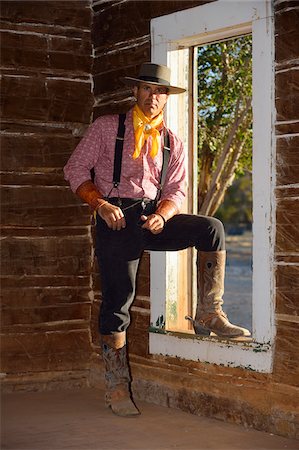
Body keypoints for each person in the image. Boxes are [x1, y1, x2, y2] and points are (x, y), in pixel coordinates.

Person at [64, 62, 250, 418]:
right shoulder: (107, 128)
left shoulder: (171, 141)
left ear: (166, 98)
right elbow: (74, 169)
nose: (154, 96)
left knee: (211, 227)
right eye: (147, 89)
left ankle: (209, 313)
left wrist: (162, 216)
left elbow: (177, 190)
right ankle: (117, 385)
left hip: (152, 217)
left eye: (160, 91)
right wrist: (100, 205)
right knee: (119, 300)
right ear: (135, 92)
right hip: (115, 217)